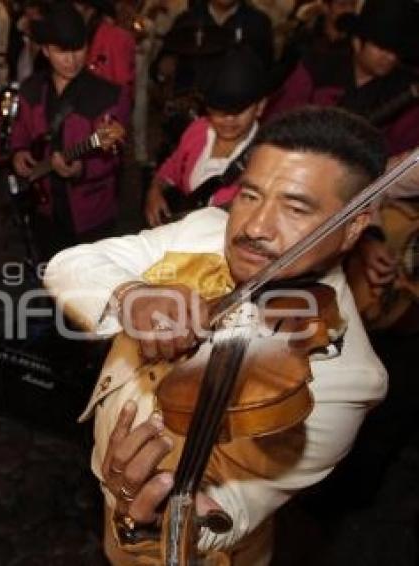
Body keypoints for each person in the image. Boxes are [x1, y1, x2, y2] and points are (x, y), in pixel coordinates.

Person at [44, 106, 389, 565]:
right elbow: (67, 264)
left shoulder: (348, 378)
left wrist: (150, 522)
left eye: (295, 207)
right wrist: (131, 295)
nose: (254, 227)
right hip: (108, 489)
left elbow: (228, 513)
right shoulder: (205, 229)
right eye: (250, 195)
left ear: (353, 227)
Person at [10, 1, 129, 260]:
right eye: (62, 51)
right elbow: (20, 129)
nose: (72, 60)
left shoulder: (108, 94)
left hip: (91, 213)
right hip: (44, 206)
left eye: (78, 49)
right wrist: (18, 152)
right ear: (44, 50)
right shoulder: (31, 88)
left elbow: (115, 156)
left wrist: (81, 169)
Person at [267, 0, 419, 156]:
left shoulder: (406, 91)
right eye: (382, 48)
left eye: (396, 52)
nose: (390, 58)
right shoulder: (316, 68)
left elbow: (400, 150)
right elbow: (279, 120)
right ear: (357, 43)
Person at [144, 47, 266, 226]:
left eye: (238, 110)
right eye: (219, 110)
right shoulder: (199, 130)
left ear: (260, 107)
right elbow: (173, 166)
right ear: (208, 109)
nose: (228, 119)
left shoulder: (266, 156)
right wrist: (154, 190)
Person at [71, 0, 136, 103]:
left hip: (98, 109)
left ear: (91, 10)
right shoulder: (69, 31)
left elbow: (121, 90)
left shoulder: (116, 38)